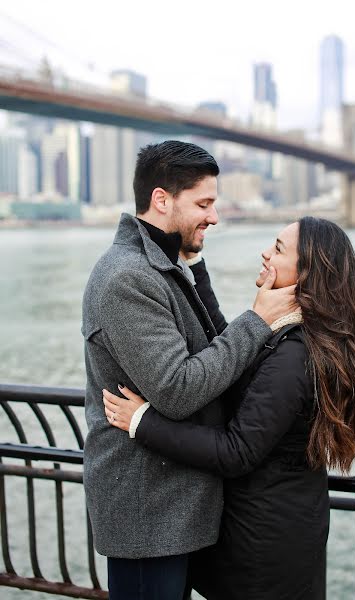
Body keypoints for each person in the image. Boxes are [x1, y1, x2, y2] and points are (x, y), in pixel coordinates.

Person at [103, 216, 355, 600]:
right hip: (283, 524)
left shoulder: (296, 355)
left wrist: (142, 423)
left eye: (279, 249)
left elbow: (237, 451)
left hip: (264, 547)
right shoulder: (299, 333)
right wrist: (196, 269)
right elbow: (232, 346)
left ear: (308, 272)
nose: (265, 253)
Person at [82, 140, 296, 600]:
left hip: (174, 506)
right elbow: (178, 389)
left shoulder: (163, 266)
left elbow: (217, 347)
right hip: (148, 514)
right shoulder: (127, 277)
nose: (214, 216)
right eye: (203, 203)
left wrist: (197, 268)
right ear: (162, 200)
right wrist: (259, 320)